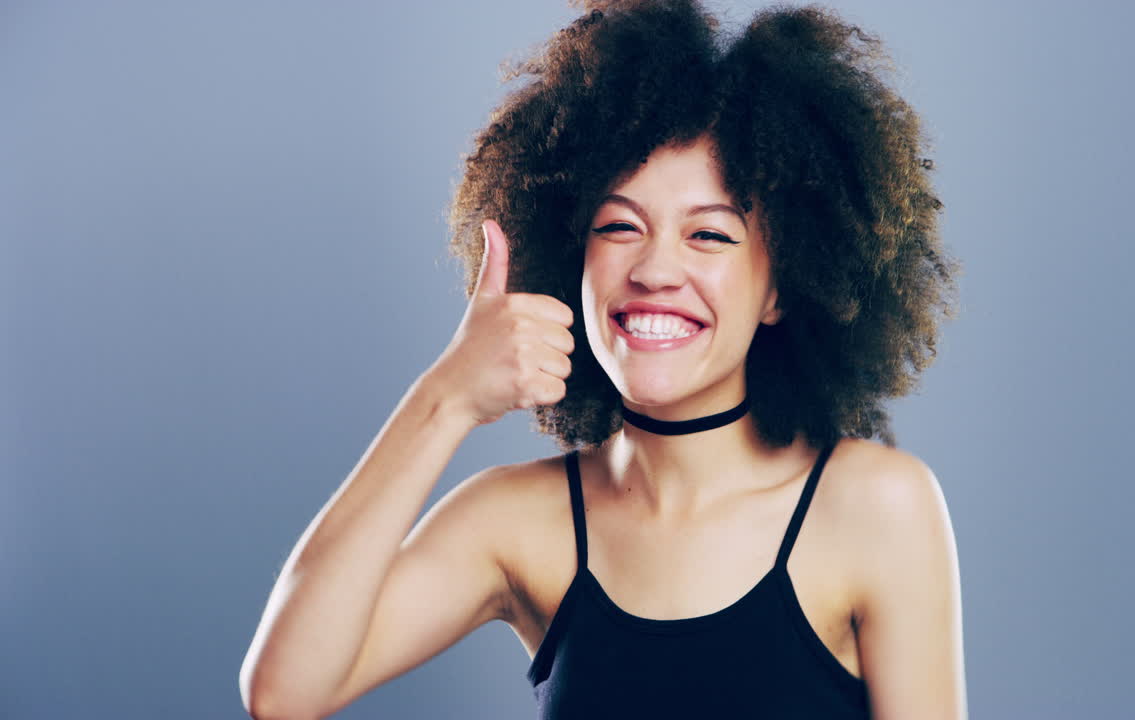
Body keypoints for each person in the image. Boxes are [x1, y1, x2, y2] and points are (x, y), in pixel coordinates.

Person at [239, 0, 966, 718]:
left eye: (708, 236)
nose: (654, 269)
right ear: (571, 260)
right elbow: (284, 692)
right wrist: (447, 397)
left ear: (781, 287)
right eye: (619, 225)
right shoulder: (517, 521)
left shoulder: (877, 508)